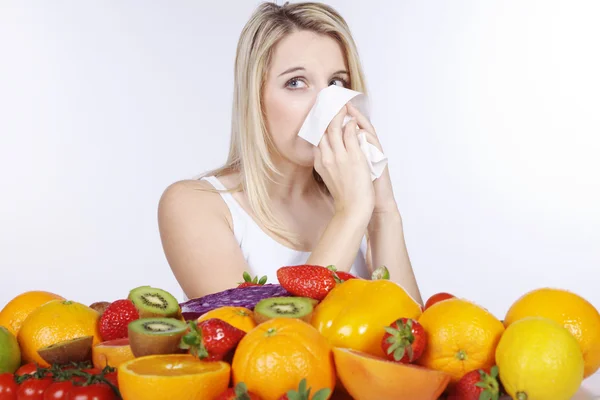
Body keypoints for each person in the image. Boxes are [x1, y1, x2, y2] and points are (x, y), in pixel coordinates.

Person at [158, 1, 423, 304]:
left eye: (337, 83)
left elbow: (409, 338)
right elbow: (268, 344)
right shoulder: (195, 205)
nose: (328, 104)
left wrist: (383, 211)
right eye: (296, 83)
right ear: (255, 100)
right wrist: (351, 213)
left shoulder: (358, 201)